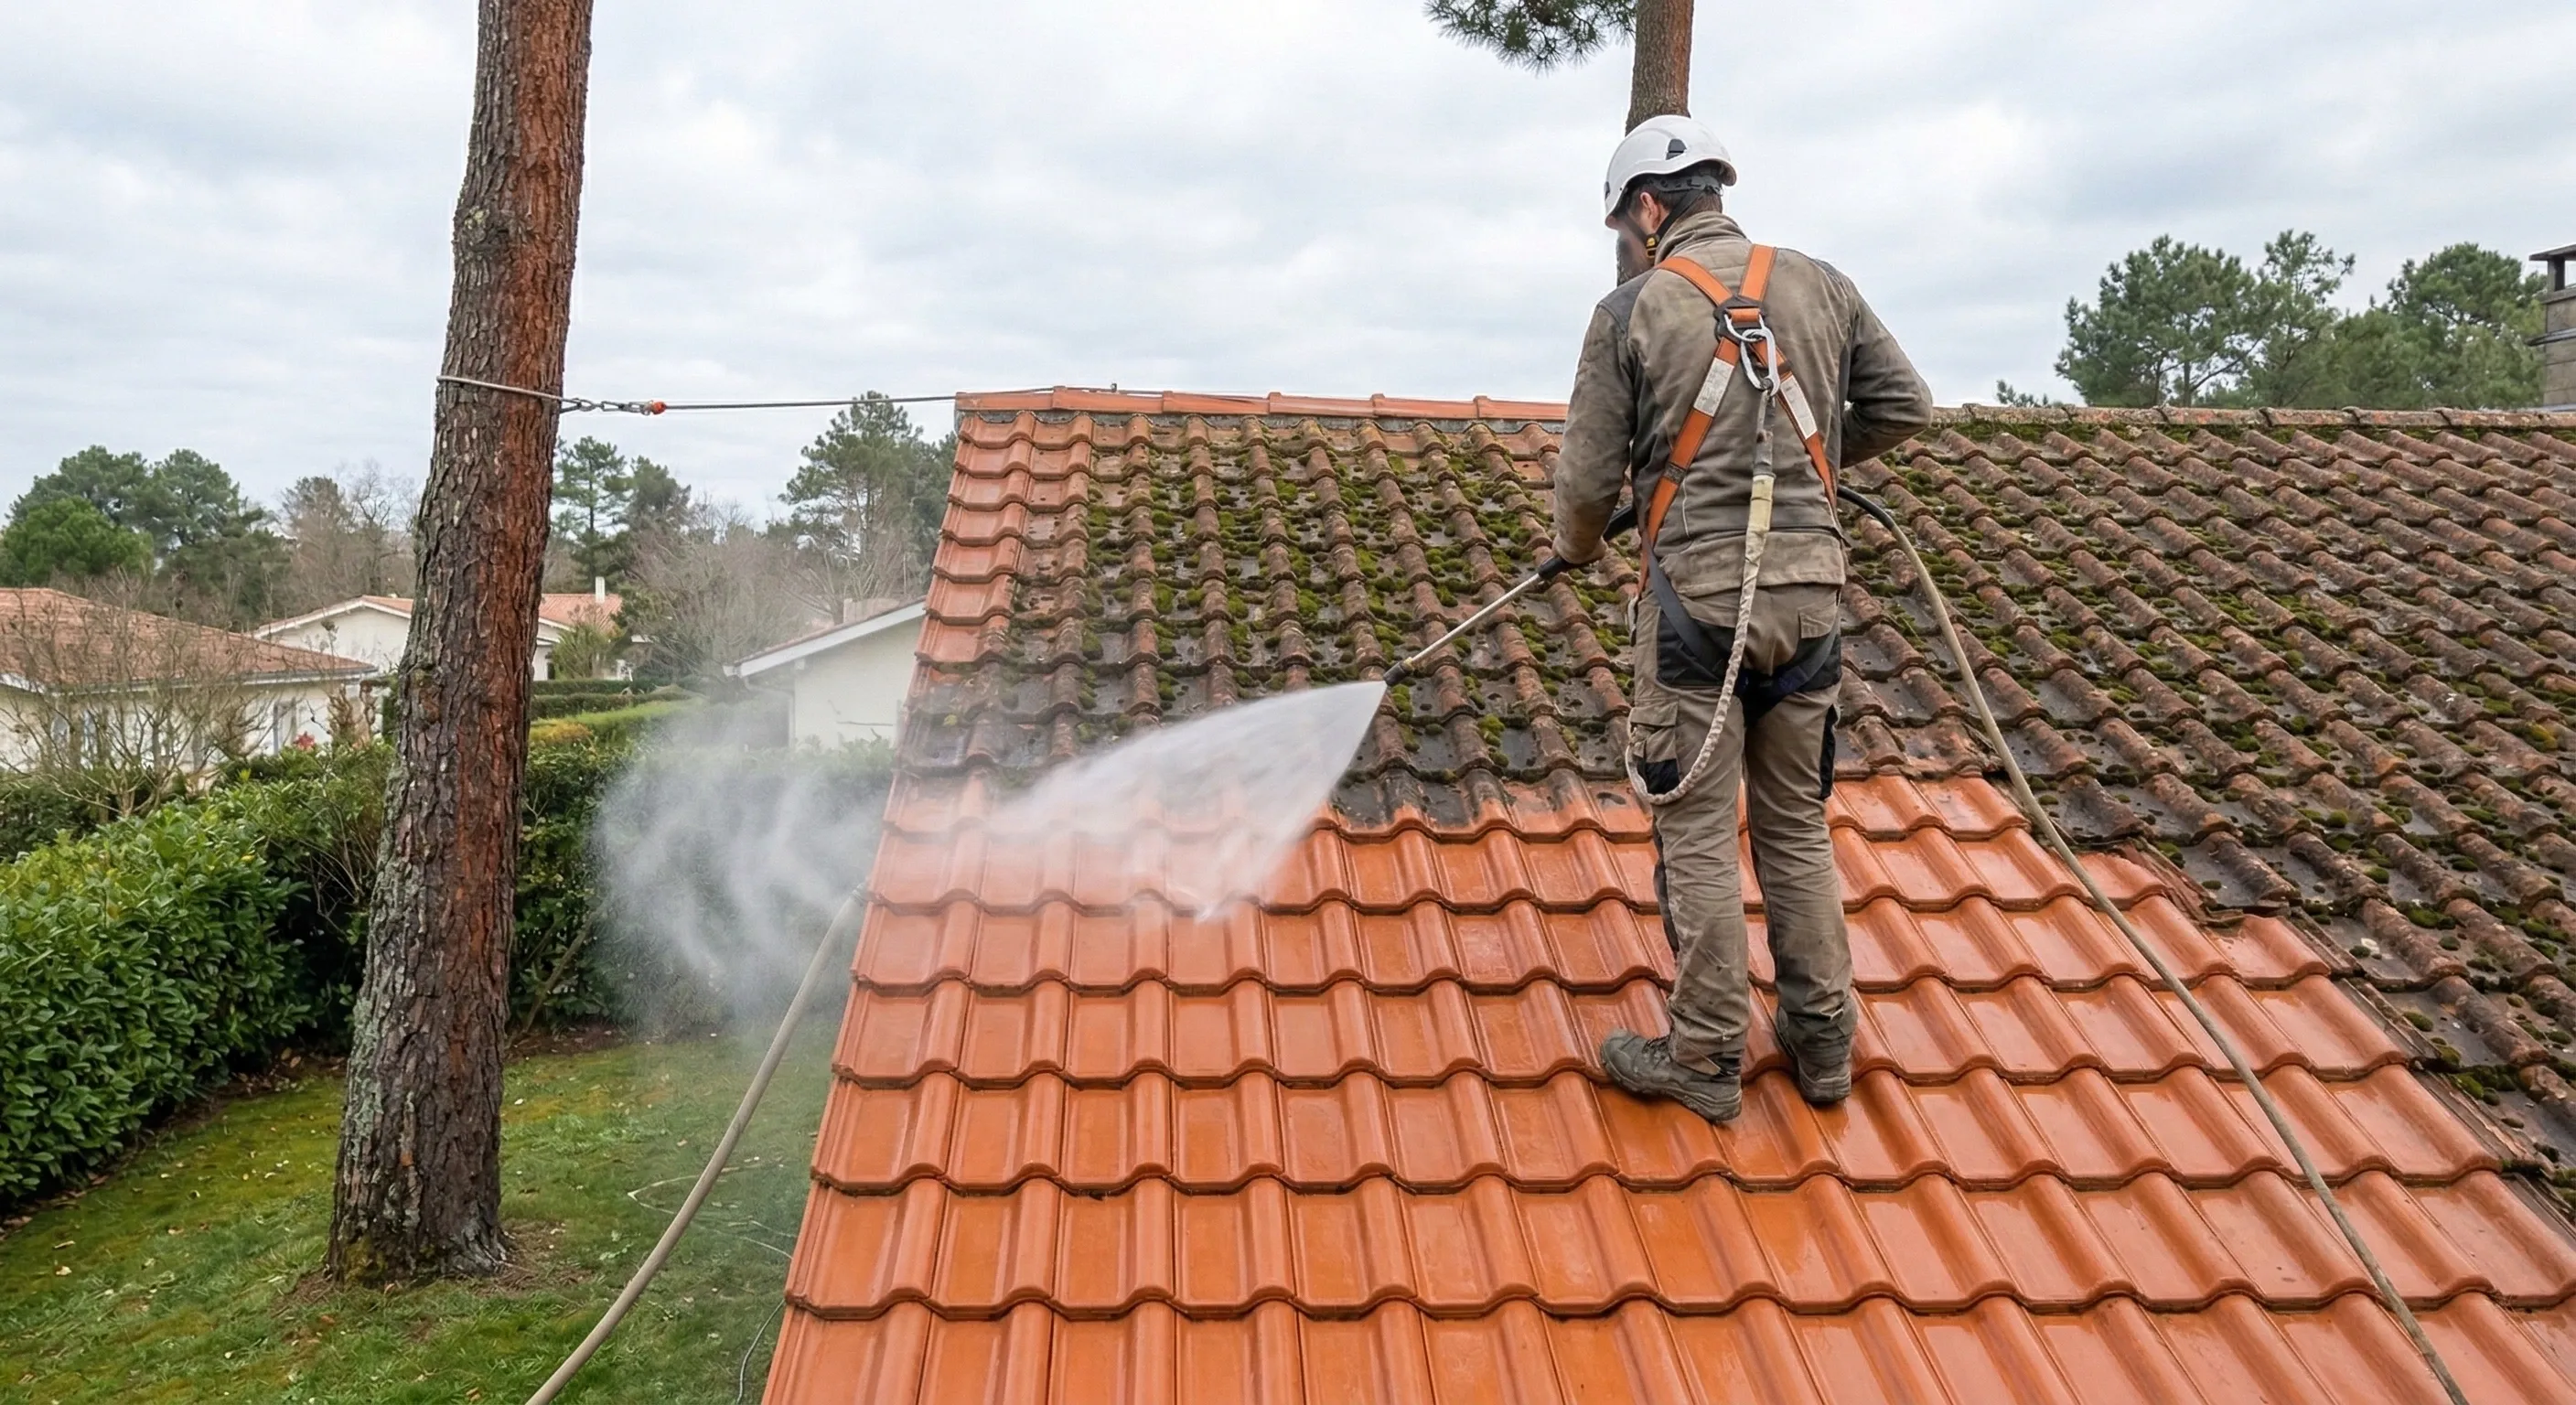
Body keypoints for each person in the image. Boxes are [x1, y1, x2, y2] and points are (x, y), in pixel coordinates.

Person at [1551, 114, 1933, 1122]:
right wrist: (1804, 469)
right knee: (1794, 829)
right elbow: (1905, 407)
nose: (1625, 245)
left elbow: (1586, 486)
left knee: (1696, 837)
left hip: (1697, 611)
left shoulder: (1629, 309)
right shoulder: (1820, 283)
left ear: (1644, 209)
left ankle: (1705, 1056)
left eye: (1623, 228)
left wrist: (1581, 544)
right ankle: (1822, 1047)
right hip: (1808, 602)